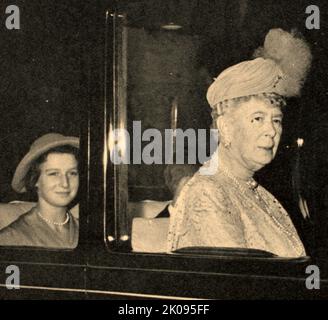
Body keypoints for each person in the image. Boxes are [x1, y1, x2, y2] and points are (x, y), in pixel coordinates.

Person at [167, 29, 312, 257]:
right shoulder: (206, 194)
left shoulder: (259, 193)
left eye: (276, 119)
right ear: (225, 127)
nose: (271, 130)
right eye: (257, 119)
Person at [0, 133, 79, 248]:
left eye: (72, 173)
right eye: (54, 174)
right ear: (35, 179)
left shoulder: (90, 234)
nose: (65, 183)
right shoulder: (11, 238)